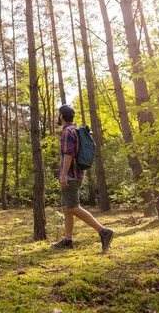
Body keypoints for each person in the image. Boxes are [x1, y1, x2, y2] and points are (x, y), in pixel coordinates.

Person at [52, 104, 114, 252]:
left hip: (70, 175)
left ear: (61, 116)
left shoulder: (68, 132)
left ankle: (104, 231)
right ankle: (68, 240)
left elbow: (68, 154)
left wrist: (63, 176)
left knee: (73, 207)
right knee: (66, 208)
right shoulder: (77, 130)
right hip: (77, 174)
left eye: (58, 114)